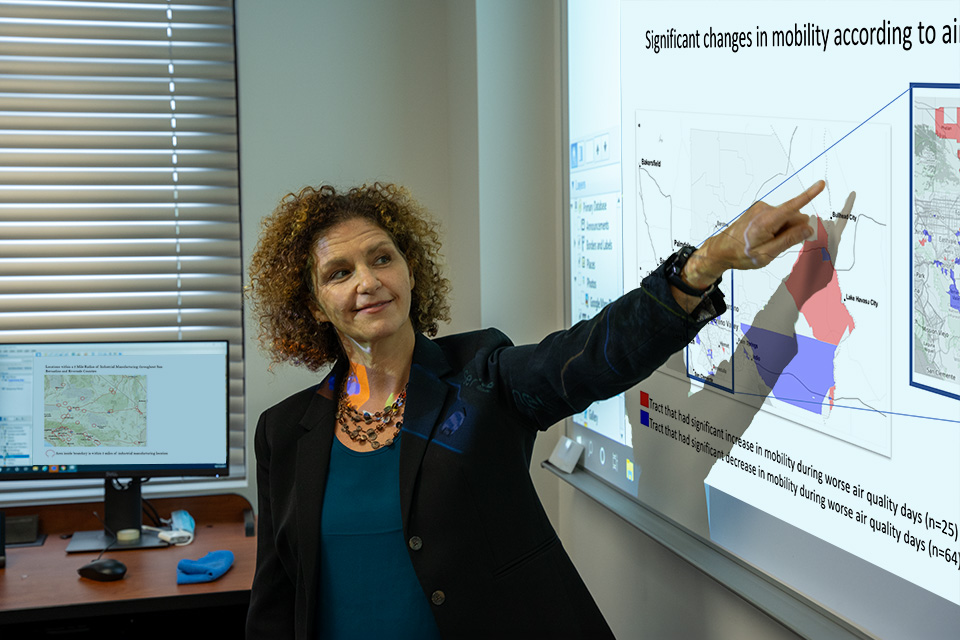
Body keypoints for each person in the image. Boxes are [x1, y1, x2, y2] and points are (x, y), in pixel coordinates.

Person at [244, 180, 825, 639]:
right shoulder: (284, 434)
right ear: (314, 305)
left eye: (381, 259)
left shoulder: (483, 377)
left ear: (410, 269)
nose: (368, 282)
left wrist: (703, 264)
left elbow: (592, 354)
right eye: (339, 273)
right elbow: (276, 601)